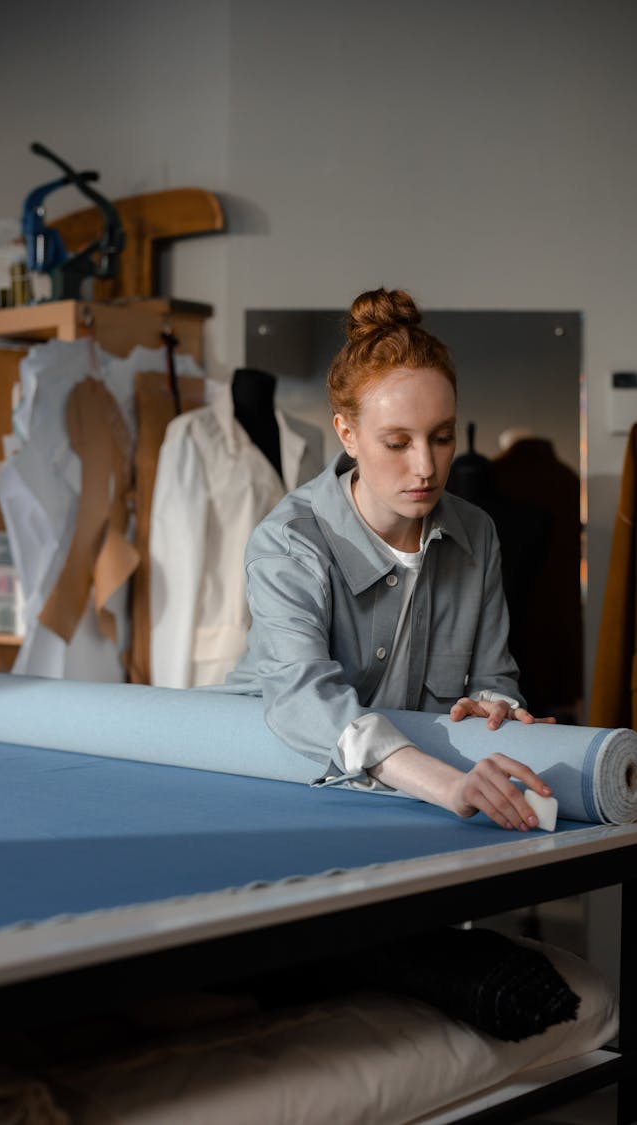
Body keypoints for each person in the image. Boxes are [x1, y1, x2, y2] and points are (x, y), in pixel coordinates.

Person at [226, 287, 555, 832]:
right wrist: (451, 784)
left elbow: (494, 673)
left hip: (411, 798)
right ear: (348, 433)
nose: (426, 467)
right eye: (398, 443)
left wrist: (492, 705)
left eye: (442, 437)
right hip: (278, 780)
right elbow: (306, 699)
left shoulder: (477, 533)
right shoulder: (289, 541)